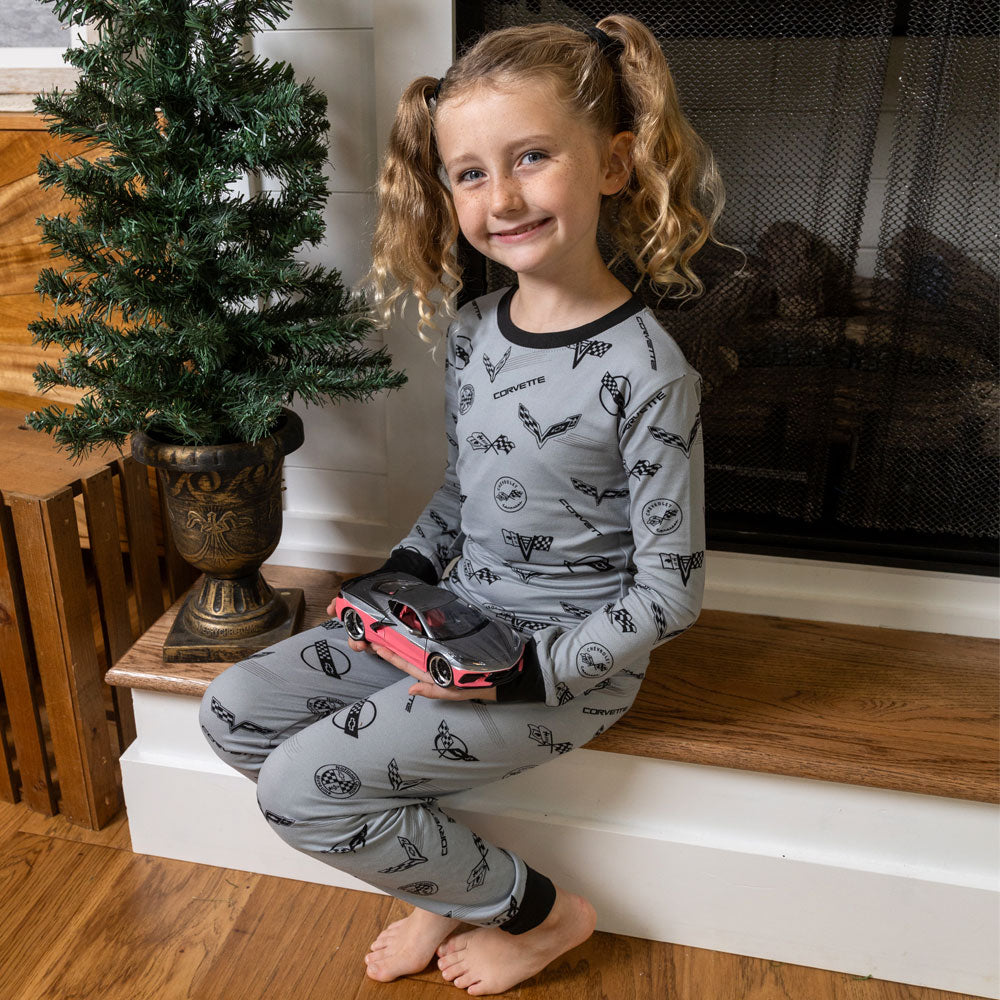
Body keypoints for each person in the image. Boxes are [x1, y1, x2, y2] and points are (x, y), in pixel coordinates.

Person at [200, 13, 731, 996]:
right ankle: (441, 881)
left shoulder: (648, 370)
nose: (504, 195)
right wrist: (400, 573)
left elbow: (670, 593)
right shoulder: (479, 328)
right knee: (233, 712)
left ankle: (540, 913)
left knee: (294, 790)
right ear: (444, 188)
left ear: (613, 164)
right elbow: (460, 486)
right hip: (452, 622)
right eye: (472, 172)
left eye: (532, 157)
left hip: (563, 668)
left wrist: (534, 672)